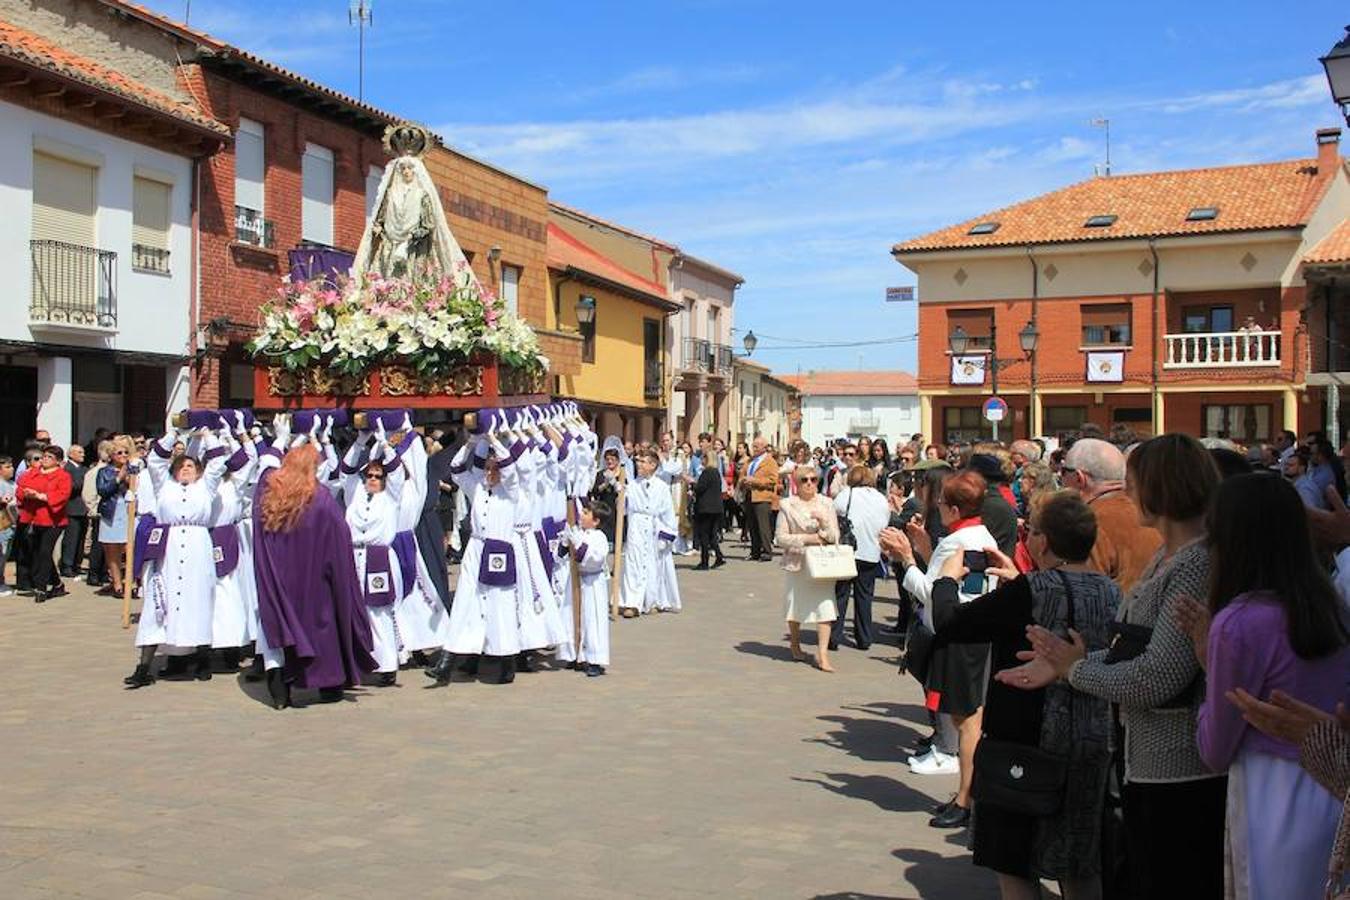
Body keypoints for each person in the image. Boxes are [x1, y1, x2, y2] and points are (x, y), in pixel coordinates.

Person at [1001, 434, 1224, 899]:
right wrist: (1072, 662)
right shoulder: (1169, 555)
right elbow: (1133, 650)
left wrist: (1074, 669)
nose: (1129, 494)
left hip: (1177, 768)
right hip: (1146, 761)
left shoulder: (1194, 565)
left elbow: (1155, 676)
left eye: (1135, 484)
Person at [926, 491, 1122, 899]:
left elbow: (952, 624)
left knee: (1014, 862)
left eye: (1032, 530)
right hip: (1090, 737)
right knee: (1079, 861)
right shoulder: (1112, 592)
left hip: (1024, 738)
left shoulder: (1032, 590)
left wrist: (946, 578)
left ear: (1044, 541)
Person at [1175, 473, 1350, 900]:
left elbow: (1215, 747)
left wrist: (1208, 668)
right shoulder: (1333, 605)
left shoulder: (1237, 623)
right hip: (1334, 789)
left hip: (1269, 793)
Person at [893, 470, 1000, 806]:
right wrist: (926, 550)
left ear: (954, 510)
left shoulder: (961, 542)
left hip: (959, 635)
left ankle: (965, 795)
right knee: (961, 717)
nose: (937, 506)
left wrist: (907, 560)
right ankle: (963, 791)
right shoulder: (974, 535)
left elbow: (939, 594)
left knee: (966, 719)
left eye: (941, 502)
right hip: (964, 631)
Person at [251, 442, 375, 706]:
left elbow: (263, 472)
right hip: (316, 582)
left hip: (279, 582)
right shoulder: (322, 500)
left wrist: (275, 444)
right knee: (323, 629)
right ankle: (329, 685)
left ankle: (281, 690)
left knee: (281, 629)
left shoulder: (269, 495)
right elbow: (340, 542)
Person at [125, 430, 229, 687]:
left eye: (191, 465)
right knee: (160, 602)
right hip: (169, 547)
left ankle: (202, 658)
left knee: (199, 599)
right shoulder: (164, 485)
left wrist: (207, 435)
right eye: (182, 465)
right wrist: (177, 432)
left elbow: (218, 460)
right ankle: (143, 666)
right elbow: (157, 459)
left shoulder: (206, 486)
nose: (186, 469)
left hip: (197, 546)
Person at [1061, 437, 1161, 595]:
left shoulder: (1086, 523)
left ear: (1080, 478)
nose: (1061, 479)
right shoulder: (1152, 513)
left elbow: (1083, 595)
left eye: (1064, 471)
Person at [774, 464, 839, 672]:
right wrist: (807, 538)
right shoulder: (787, 505)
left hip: (822, 564)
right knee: (795, 605)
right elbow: (781, 538)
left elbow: (834, 536)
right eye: (804, 480)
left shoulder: (827, 503)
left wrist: (824, 523)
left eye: (813, 479)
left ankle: (822, 654)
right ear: (796, 482)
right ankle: (795, 644)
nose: (810, 483)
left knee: (825, 607)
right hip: (798, 562)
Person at [831, 464, 889, 651]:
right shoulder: (881, 499)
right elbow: (884, 522)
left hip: (848, 551)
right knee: (865, 597)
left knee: (840, 595)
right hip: (871, 552)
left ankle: (834, 636)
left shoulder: (847, 494)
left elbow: (834, 513)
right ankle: (864, 638)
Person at [618, 448, 681, 616]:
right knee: (634, 563)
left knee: (653, 566)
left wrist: (666, 534)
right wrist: (621, 495)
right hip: (636, 527)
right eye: (638, 461)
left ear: (653, 465)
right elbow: (622, 510)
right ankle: (631, 602)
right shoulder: (632, 485)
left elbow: (668, 512)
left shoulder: (661, 487)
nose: (639, 464)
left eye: (643, 461)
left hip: (654, 528)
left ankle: (651, 600)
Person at [556, 499, 612, 676]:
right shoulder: (577, 532)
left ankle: (594, 659)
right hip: (575, 581)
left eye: (586, 513)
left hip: (592, 583)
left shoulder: (599, 537)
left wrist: (576, 542)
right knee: (571, 616)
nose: (581, 514)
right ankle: (574, 654)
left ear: (596, 521)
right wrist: (565, 543)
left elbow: (590, 559)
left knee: (592, 621)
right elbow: (561, 557)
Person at [15, 445, 73, 602]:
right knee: (37, 552)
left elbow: (63, 495)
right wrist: (27, 493)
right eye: (44, 456)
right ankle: (57, 584)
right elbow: (20, 488)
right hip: (34, 518)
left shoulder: (63, 476)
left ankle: (41, 588)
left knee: (45, 552)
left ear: (58, 461)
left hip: (54, 520)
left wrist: (42, 496)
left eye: (50, 457)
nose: (45, 459)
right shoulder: (32, 473)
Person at [95, 438, 135, 598]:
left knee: (130, 547)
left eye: (126, 452)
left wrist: (129, 478)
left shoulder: (134, 470)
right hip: (111, 511)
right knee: (112, 549)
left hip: (128, 510)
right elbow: (103, 490)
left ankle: (131, 583)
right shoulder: (104, 472)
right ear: (111, 455)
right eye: (119, 453)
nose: (123, 455)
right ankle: (117, 584)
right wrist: (118, 479)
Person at [741, 436, 780, 562]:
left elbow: (773, 480)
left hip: (762, 497)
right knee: (752, 526)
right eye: (753, 446)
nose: (754, 448)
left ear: (764, 447)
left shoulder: (770, 461)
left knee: (763, 526)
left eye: (757, 446)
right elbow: (743, 474)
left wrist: (755, 481)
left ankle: (766, 551)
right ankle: (755, 551)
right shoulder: (751, 460)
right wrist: (743, 480)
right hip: (749, 496)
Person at [692, 448, 725, 569]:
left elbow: (700, 488)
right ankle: (719, 556)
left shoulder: (708, 472)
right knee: (712, 535)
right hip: (716, 508)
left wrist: (692, 482)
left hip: (706, 508)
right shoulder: (715, 472)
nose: (701, 460)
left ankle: (704, 561)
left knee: (704, 535)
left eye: (703, 457)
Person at [59, 444, 89, 578]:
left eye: (83, 452)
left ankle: (77, 564)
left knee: (81, 538)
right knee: (71, 538)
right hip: (72, 508)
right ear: (71, 454)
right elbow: (72, 486)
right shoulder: (67, 469)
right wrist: (86, 479)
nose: (83, 454)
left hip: (83, 509)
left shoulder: (83, 469)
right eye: (79, 452)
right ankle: (67, 565)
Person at [0, 456, 15, 597]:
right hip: (2, 525)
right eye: (7, 467)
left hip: (10, 525)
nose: (12, 469)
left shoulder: (12, 484)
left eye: (11, 466)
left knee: (5, 555)